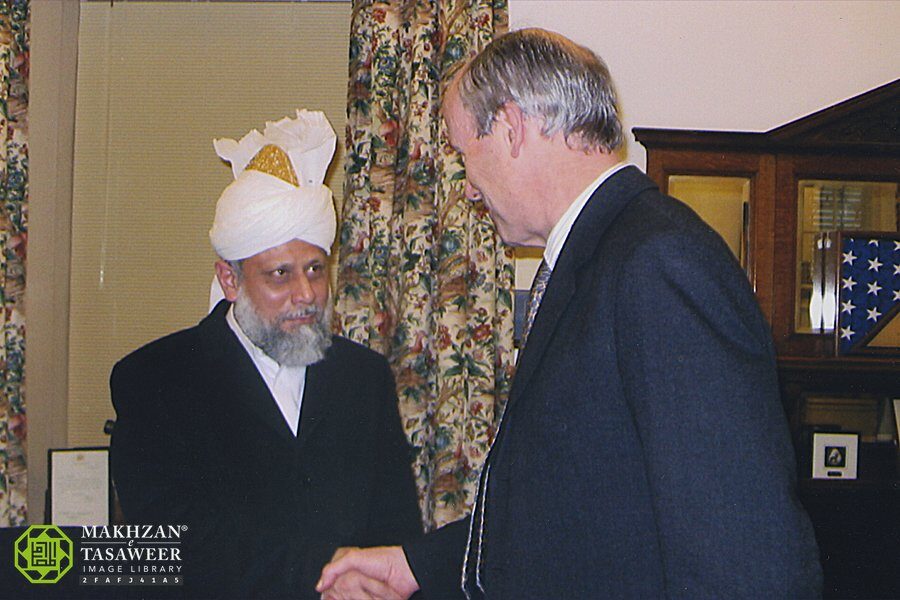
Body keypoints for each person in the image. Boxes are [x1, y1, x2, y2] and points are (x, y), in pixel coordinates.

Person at [316, 29, 822, 599]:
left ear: (511, 129)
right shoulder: (599, 256)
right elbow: (566, 509)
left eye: (463, 154)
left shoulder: (657, 262)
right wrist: (418, 565)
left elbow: (742, 555)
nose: (469, 188)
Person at [109, 110, 422, 599]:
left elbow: (397, 526)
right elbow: (173, 549)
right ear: (230, 280)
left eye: (316, 269)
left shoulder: (363, 377)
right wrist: (323, 570)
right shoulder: (156, 380)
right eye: (280, 274)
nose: (307, 293)